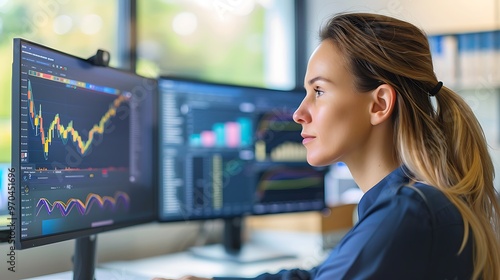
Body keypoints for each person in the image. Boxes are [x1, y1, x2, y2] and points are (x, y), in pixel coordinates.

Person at [154, 12, 500, 280]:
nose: (298, 113)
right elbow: (320, 275)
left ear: (379, 104)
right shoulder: (415, 202)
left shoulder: (406, 215)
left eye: (319, 91)